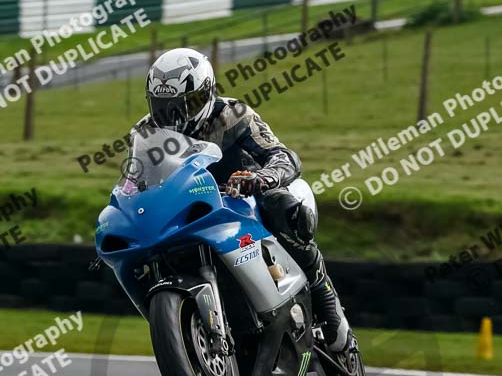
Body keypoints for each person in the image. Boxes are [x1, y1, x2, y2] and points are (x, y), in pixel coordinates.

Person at [136, 47, 355, 358]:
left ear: (204, 94)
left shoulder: (233, 115)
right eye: (163, 107)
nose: (174, 116)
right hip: (192, 209)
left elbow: (283, 156)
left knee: (283, 207)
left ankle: (325, 298)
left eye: (183, 105)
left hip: (246, 201)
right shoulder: (147, 132)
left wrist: (261, 178)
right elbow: (135, 181)